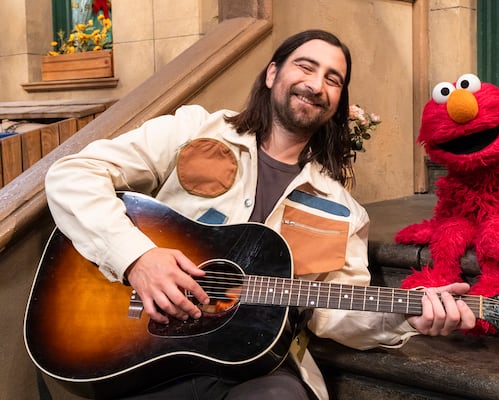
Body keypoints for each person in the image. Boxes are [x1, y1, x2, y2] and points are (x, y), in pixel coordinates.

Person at [45, 29, 475, 400]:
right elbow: (71, 175)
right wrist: (137, 257)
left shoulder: (343, 210)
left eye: (333, 79)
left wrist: (408, 314)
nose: (316, 84)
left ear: (338, 101)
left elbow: (336, 314)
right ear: (272, 74)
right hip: (142, 351)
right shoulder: (194, 130)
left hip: (254, 367)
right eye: (305, 67)